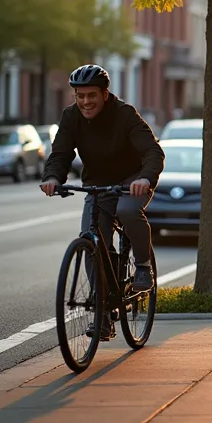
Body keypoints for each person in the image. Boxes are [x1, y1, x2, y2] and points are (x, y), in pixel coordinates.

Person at [40, 64, 164, 340]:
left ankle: (143, 266)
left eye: (91, 95)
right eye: (80, 96)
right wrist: (52, 177)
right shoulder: (71, 117)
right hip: (98, 186)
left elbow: (153, 151)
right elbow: (60, 153)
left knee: (128, 210)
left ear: (105, 94)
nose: (85, 102)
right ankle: (103, 314)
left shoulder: (125, 114)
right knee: (91, 241)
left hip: (132, 182)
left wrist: (145, 178)